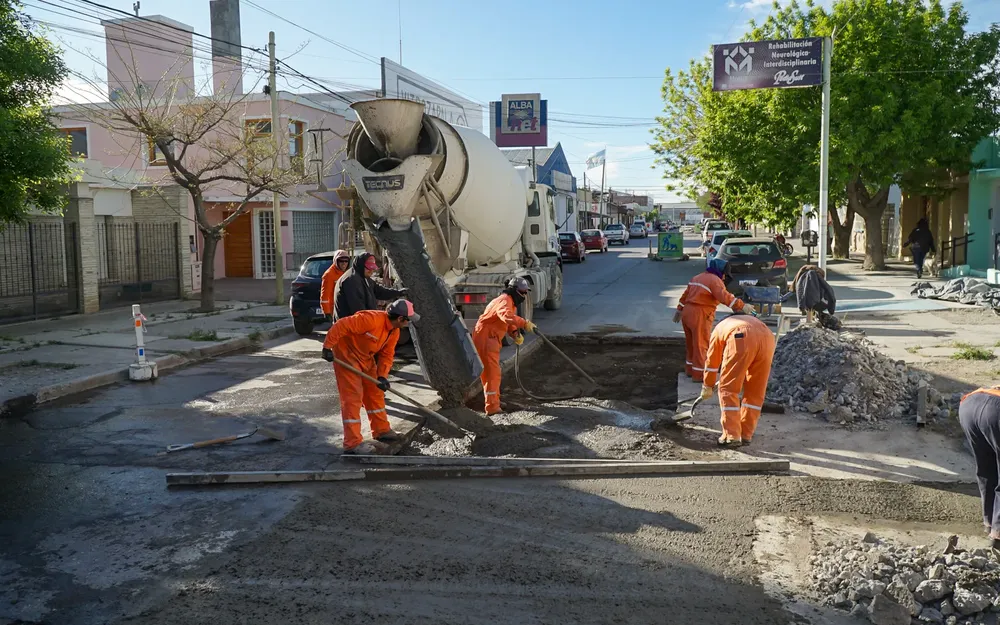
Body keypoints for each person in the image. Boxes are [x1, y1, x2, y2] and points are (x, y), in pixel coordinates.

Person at [321, 299, 419, 454]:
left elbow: (387, 355)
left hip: (365, 357)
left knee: (375, 392)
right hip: (346, 355)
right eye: (408, 319)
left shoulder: (394, 331)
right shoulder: (370, 320)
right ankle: (352, 443)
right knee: (353, 397)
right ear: (400, 318)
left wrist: (382, 377)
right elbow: (341, 325)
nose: (409, 323)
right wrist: (327, 346)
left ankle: (381, 430)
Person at [700, 312, 776, 448]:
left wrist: (707, 384)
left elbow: (712, 362)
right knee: (755, 391)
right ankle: (746, 434)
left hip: (741, 337)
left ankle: (732, 435)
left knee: (727, 388)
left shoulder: (720, 328)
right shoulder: (749, 321)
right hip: (768, 337)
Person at [673, 258, 750, 383]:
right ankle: (699, 375)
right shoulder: (715, 281)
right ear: (720, 272)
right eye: (724, 274)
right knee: (701, 345)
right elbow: (725, 297)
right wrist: (742, 306)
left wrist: (679, 310)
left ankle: (690, 370)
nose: (724, 278)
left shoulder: (697, 278)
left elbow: (685, 296)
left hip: (687, 313)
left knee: (691, 344)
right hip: (700, 314)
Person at [473, 277, 536, 415]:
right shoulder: (504, 301)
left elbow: (505, 321)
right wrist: (524, 323)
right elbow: (506, 316)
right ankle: (492, 408)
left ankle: (494, 400)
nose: (524, 296)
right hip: (486, 339)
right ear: (515, 291)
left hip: (489, 338)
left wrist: (514, 333)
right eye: (523, 292)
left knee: (493, 373)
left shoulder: (508, 301)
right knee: (492, 374)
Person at [958, 387, 1000, 547]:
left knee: (987, 470)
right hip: (995, 412)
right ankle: (998, 536)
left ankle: (989, 522)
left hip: (970, 404)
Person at [333, 252, 407, 321]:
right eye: (369, 268)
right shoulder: (351, 281)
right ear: (361, 266)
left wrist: (399, 293)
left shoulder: (363, 276)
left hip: (359, 323)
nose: (371, 271)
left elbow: (379, 291)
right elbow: (358, 310)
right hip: (350, 327)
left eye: (372, 268)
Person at [319, 250, 350, 318]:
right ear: (336, 261)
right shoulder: (329, 275)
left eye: (346, 261)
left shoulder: (346, 272)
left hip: (344, 309)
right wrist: (326, 312)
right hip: (335, 311)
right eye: (341, 261)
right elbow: (324, 296)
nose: (344, 263)